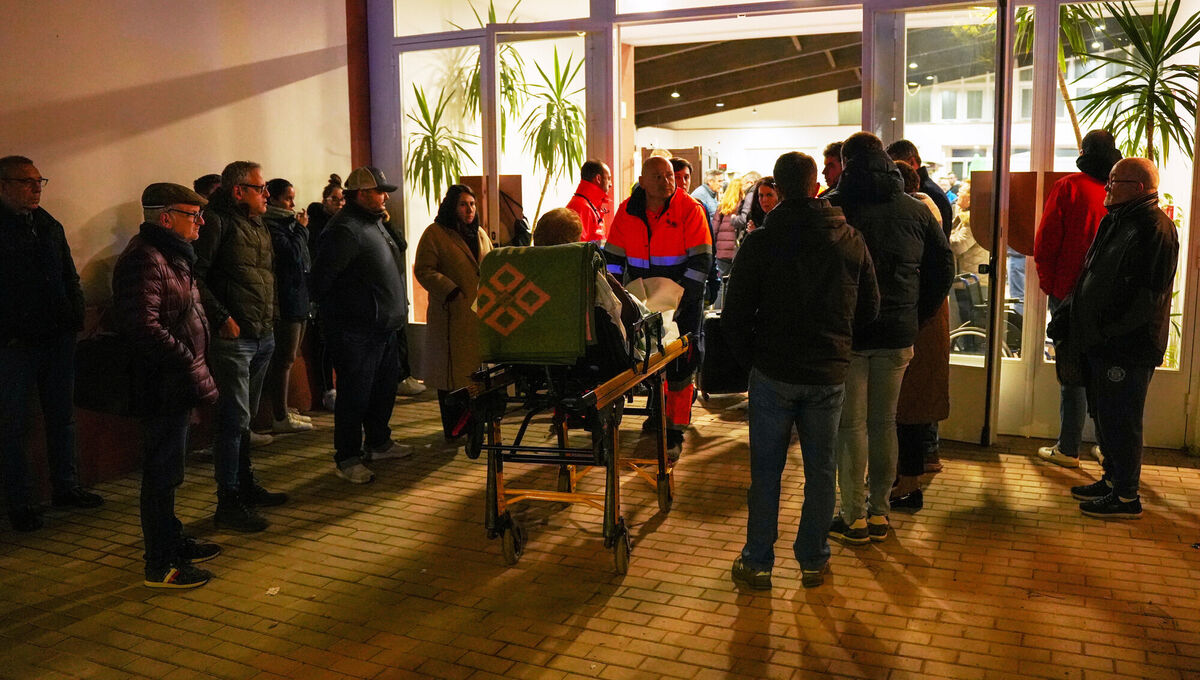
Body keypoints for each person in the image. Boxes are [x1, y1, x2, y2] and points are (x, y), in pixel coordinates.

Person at [723, 151, 879, 590]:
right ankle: (813, 559)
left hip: (773, 372)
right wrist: (839, 343)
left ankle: (757, 561)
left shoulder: (761, 242)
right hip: (828, 372)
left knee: (766, 472)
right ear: (815, 187)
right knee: (821, 469)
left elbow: (734, 315)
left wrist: (753, 357)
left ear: (781, 190)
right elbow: (870, 309)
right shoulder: (850, 239)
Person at [825, 132, 953, 544]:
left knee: (852, 427)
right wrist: (918, 313)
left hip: (849, 334)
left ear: (847, 162)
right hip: (899, 333)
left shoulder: (835, 207)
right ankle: (880, 513)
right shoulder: (915, 210)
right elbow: (943, 268)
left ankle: (853, 515)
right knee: (885, 423)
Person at [112, 183, 221, 588]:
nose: (201, 222)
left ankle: (173, 540)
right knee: (160, 474)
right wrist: (185, 358)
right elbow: (143, 326)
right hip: (161, 383)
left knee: (170, 471)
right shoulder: (146, 258)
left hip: (176, 380)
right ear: (165, 217)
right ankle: (160, 564)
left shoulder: (172, 256)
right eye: (193, 215)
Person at [1058, 158, 1177, 519]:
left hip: (1127, 347)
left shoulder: (1153, 227)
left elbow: (1147, 296)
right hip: (1102, 342)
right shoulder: (1118, 220)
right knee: (1106, 417)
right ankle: (1112, 480)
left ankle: (1126, 496)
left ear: (1139, 188)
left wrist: (1109, 332)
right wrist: (1071, 314)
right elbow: (1092, 273)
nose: (1107, 187)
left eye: (1115, 181)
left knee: (1122, 420)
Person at [0, 155, 103, 532]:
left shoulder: (47, 225)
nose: (36, 187)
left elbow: (68, 276)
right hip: (15, 345)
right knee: (15, 425)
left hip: (56, 338)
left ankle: (66, 486)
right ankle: (21, 502)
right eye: (26, 181)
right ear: (3, 185)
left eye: (39, 180)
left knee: (62, 416)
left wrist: (75, 318)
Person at [194, 161, 287, 533]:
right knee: (234, 422)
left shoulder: (257, 222)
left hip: (262, 332)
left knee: (245, 419)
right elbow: (195, 275)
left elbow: (264, 276)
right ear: (238, 191)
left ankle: (245, 485)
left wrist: (272, 318)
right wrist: (220, 318)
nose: (267, 194)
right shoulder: (216, 221)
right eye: (260, 188)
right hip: (234, 337)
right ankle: (228, 500)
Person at [604, 156, 712, 459]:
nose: (668, 182)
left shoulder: (691, 209)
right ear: (642, 180)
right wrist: (616, 297)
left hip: (683, 303)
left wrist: (681, 301)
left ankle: (675, 429)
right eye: (659, 177)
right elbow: (612, 258)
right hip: (641, 302)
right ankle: (657, 413)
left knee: (681, 367)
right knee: (649, 362)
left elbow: (701, 261)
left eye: (670, 176)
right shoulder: (627, 211)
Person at [311, 166, 413, 483]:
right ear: (362, 194)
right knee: (355, 398)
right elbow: (321, 282)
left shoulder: (374, 223)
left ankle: (379, 443)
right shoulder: (344, 230)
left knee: (382, 392)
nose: (385, 197)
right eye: (380, 191)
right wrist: (354, 312)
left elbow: (399, 252)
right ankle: (348, 457)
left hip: (382, 328)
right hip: (356, 332)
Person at [1035, 130, 1121, 468]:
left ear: (1083, 152)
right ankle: (1106, 447)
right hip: (1110, 297)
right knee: (1106, 369)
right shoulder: (1120, 189)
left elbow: (1047, 242)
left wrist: (1050, 285)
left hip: (1069, 293)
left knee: (1072, 369)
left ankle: (1069, 447)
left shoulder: (1069, 186)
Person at [891, 160, 953, 509]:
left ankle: (909, 484)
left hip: (918, 324)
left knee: (908, 409)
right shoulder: (926, 213)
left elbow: (937, 272)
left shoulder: (915, 216)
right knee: (910, 408)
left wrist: (914, 314)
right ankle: (907, 478)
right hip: (923, 321)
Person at [414, 184, 494, 440]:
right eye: (463, 204)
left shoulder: (480, 234)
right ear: (451, 207)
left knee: (474, 371)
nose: (469, 209)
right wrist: (450, 290)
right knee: (450, 373)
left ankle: (474, 423)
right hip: (451, 314)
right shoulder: (435, 234)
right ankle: (453, 426)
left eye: (472, 204)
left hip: (477, 314)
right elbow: (424, 269)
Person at [263, 178, 314, 434]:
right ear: (271, 198)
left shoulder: (288, 224)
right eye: (287, 198)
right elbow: (291, 257)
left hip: (299, 297)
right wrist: (301, 229)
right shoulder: (272, 225)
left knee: (290, 358)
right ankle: (279, 415)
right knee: (283, 359)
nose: (293, 204)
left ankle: (283, 408)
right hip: (285, 301)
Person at [306, 174, 346, 411]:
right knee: (324, 346)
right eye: (335, 199)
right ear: (325, 201)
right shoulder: (317, 227)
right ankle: (327, 391)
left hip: (341, 296)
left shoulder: (343, 225)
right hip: (324, 296)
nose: (340, 204)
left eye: (342, 200)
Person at [886, 139, 952, 233]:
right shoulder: (930, 191)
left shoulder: (927, 194)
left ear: (912, 162)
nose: (893, 171)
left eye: (896, 165)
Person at [711, 178, 746, 309]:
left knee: (721, 285)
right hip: (735, 251)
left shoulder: (722, 206)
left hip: (721, 252)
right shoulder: (742, 208)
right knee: (734, 284)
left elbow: (714, 228)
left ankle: (717, 311)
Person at [565, 159, 611, 242]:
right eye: (608, 178)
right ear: (598, 178)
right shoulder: (581, 207)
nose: (610, 184)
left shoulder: (588, 205)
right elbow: (578, 248)